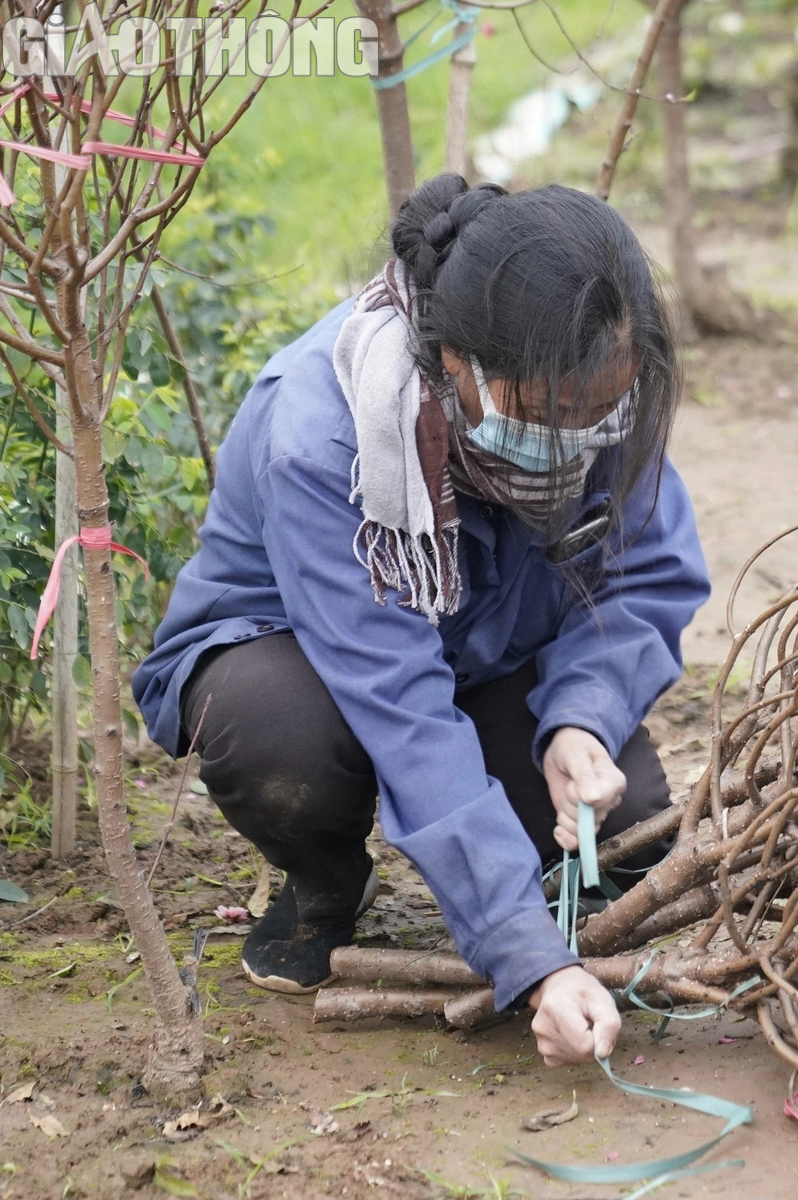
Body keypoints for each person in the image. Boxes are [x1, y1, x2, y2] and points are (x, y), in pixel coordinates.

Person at [132, 175, 710, 1067]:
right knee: (277, 739)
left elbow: (647, 574)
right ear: (455, 364)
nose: (581, 439)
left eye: (601, 415)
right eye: (550, 417)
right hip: (311, 664)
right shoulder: (325, 439)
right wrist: (530, 960)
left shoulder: (602, 382)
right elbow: (400, 705)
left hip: (486, 651)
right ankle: (324, 879)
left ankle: (521, 826)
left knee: (622, 813)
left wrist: (581, 717)